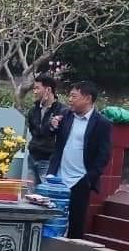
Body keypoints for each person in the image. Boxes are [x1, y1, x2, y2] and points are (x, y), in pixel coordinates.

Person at [47, 81, 111, 239]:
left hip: (80, 181)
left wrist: (89, 179)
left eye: (74, 96)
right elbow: (49, 135)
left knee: (76, 224)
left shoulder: (101, 123)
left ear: (88, 98)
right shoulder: (65, 116)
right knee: (51, 220)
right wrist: (52, 125)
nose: (69, 100)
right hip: (58, 178)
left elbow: (104, 155)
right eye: (69, 96)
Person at [27, 74, 68, 186]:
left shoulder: (62, 111)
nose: (34, 92)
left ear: (48, 90)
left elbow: (53, 134)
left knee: (46, 191)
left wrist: (49, 126)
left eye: (37, 88)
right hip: (33, 156)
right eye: (34, 88)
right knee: (31, 191)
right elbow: (35, 132)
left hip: (48, 159)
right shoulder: (33, 110)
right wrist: (49, 125)